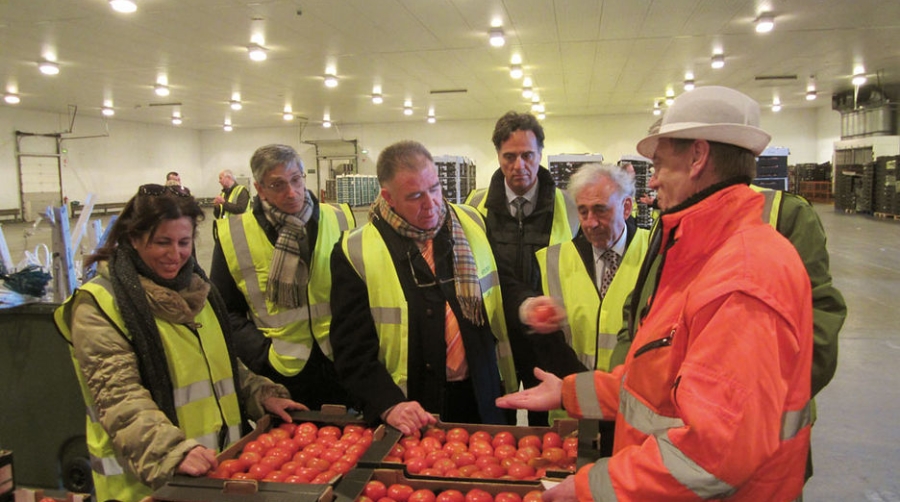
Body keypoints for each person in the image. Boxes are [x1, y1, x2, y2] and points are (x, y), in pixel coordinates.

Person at [497, 86, 813, 501]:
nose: (654, 180)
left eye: (660, 164)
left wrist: (592, 487)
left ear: (698, 157)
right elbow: (656, 382)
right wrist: (569, 392)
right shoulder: (701, 253)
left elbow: (713, 454)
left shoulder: (744, 273)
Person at [54, 183, 306, 502]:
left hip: (216, 472)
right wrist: (171, 452)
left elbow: (222, 367)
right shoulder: (101, 305)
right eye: (162, 242)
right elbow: (119, 396)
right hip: (149, 485)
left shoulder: (199, 293)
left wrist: (260, 393)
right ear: (133, 239)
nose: (175, 255)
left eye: (184, 242)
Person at [330, 140, 516, 435]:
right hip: (412, 408)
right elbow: (351, 351)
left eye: (434, 188)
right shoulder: (356, 251)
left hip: (482, 397)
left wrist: (529, 304)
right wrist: (388, 404)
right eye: (415, 196)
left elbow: (503, 283)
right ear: (388, 197)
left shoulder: (471, 222)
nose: (431, 204)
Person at [210, 144, 355, 410]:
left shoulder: (339, 218)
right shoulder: (234, 234)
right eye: (277, 185)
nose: (291, 192)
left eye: (295, 180)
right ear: (259, 188)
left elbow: (359, 292)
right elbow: (224, 310)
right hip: (280, 371)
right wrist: (260, 354)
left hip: (341, 362)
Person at [522, 163, 650, 450]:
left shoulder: (655, 255)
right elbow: (547, 345)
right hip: (572, 414)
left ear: (627, 207)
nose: (590, 222)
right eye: (583, 211)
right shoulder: (551, 261)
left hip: (633, 413)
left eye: (600, 210)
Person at [465, 111, 578, 426]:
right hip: (497, 338)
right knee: (497, 424)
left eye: (528, 155)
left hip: (551, 339)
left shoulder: (569, 207)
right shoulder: (474, 208)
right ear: (498, 156)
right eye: (509, 156)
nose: (519, 166)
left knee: (551, 429)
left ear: (541, 153)